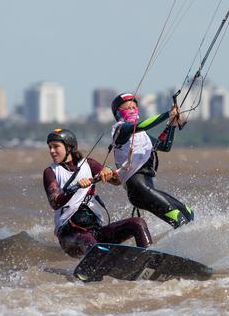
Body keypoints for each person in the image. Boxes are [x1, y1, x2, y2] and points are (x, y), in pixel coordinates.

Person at [43, 128, 153, 258]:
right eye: (50, 147)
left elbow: (117, 181)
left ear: (69, 147)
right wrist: (75, 187)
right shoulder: (50, 172)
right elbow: (55, 203)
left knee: (137, 223)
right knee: (90, 242)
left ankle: (149, 259)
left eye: (56, 147)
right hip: (70, 236)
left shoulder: (88, 164)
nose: (52, 151)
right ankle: (101, 265)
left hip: (96, 232)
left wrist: (109, 170)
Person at [110, 93, 195, 229]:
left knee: (189, 214)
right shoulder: (120, 130)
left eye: (134, 107)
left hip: (148, 187)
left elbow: (164, 146)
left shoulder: (142, 135)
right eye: (127, 108)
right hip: (138, 189)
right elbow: (141, 125)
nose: (132, 110)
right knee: (178, 219)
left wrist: (172, 124)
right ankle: (187, 247)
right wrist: (167, 114)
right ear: (118, 113)